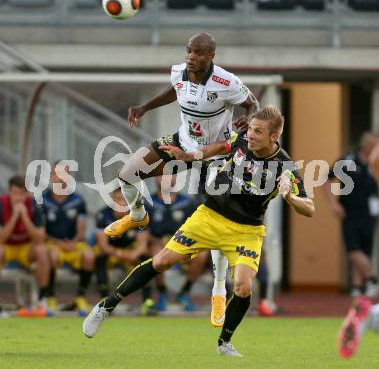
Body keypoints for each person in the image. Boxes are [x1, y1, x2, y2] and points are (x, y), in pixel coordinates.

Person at [83, 106, 315, 356]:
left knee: (244, 286)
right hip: (209, 217)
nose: (251, 135)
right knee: (161, 261)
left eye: (258, 132)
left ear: (274, 137)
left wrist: (291, 198)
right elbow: (213, 149)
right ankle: (106, 306)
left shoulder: (284, 167)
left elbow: (310, 208)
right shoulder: (239, 140)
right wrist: (187, 156)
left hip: (246, 230)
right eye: (251, 129)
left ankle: (224, 342)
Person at [103, 32, 258, 323]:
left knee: (218, 219)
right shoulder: (179, 72)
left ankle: (218, 290)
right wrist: (145, 107)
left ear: (211, 55)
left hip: (216, 154)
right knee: (127, 173)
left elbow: (253, 103)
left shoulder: (225, 81)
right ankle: (138, 216)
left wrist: (248, 118)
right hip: (181, 144)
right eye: (189, 50)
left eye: (199, 52)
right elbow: (175, 91)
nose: (192, 56)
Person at [323, 132, 379, 297]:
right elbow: (326, 178)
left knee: (365, 250)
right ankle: (372, 279)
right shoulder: (348, 161)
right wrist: (333, 204)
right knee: (353, 249)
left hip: (370, 213)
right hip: (350, 212)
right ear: (367, 145)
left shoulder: (374, 165)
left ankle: (358, 287)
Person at [145, 175, 208, 312]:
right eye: (160, 175)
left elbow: (197, 230)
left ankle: (184, 292)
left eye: (169, 175)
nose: (165, 179)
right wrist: (157, 240)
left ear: (175, 178)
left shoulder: (187, 202)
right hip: (159, 245)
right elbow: (142, 234)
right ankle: (162, 293)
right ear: (155, 179)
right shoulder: (148, 203)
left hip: (183, 246)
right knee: (156, 252)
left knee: (202, 255)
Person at [42, 162, 95, 315]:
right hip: (52, 244)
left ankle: (80, 298)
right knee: (50, 255)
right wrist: (58, 243)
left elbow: (81, 230)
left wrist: (73, 242)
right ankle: (50, 297)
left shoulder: (78, 200)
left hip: (73, 244)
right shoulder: (42, 200)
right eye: (57, 174)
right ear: (52, 176)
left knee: (89, 256)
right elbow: (41, 231)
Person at [95, 188, 155, 315]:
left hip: (131, 251)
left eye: (124, 199)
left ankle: (147, 302)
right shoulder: (103, 215)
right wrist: (120, 254)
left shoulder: (139, 215)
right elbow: (103, 245)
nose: (121, 203)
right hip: (112, 252)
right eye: (117, 199)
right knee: (98, 258)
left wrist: (134, 254)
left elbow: (143, 245)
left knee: (147, 260)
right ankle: (104, 301)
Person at [0, 175, 49, 313]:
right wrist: (15, 216)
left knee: (42, 251)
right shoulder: (1, 205)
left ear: (26, 194)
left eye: (22, 194)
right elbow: (1, 239)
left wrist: (25, 218)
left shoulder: (35, 205)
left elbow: (40, 238)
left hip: (26, 248)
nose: (18, 198)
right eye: (15, 193)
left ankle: (41, 299)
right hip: (7, 247)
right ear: (9, 192)